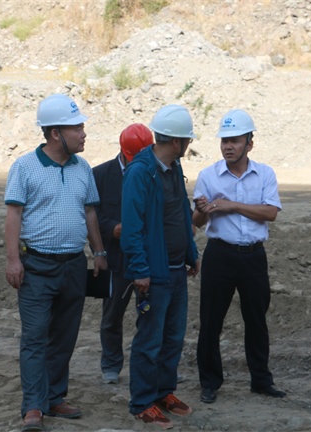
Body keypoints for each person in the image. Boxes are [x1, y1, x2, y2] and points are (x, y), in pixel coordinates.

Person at [4, 93, 108, 432]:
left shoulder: (83, 168)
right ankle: (33, 407)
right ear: (54, 133)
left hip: (73, 265)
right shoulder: (24, 167)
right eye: (76, 128)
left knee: (64, 336)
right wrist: (13, 260)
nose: (83, 133)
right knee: (35, 338)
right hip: (36, 267)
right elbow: (14, 214)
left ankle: (53, 397)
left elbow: (89, 212)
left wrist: (99, 252)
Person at [192, 109, 285, 405]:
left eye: (234, 140)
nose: (228, 146)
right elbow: (197, 222)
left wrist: (232, 205)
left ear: (249, 144)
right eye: (224, 140)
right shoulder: (208, 176)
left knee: (256, 319)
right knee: (211, 320)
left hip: (253, 256)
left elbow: (270, 212)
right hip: (219, 255)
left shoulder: (265, 174)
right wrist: (203, 210)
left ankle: (261, 380)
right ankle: (209, 382)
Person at [121, 104, 200, 430]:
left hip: (176, 270)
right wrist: (140, 270)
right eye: (188, 140)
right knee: (149, 341)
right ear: (177, 141)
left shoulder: (173, 167)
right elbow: (132, 227)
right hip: (154, 274)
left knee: (172, 338)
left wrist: (192, 253)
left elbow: (181, 213)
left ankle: (163, 392)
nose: (188, 145)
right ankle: (142, 403)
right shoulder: (140, 172)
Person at [92, 123, 154, 385]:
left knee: (150, 316)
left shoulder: (155, 172)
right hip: (115, 260)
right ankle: (111, 364)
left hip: (147, 258)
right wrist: (111, 229)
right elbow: (90, 214)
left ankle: (151, 367)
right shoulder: (99, 175)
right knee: (111, 316)